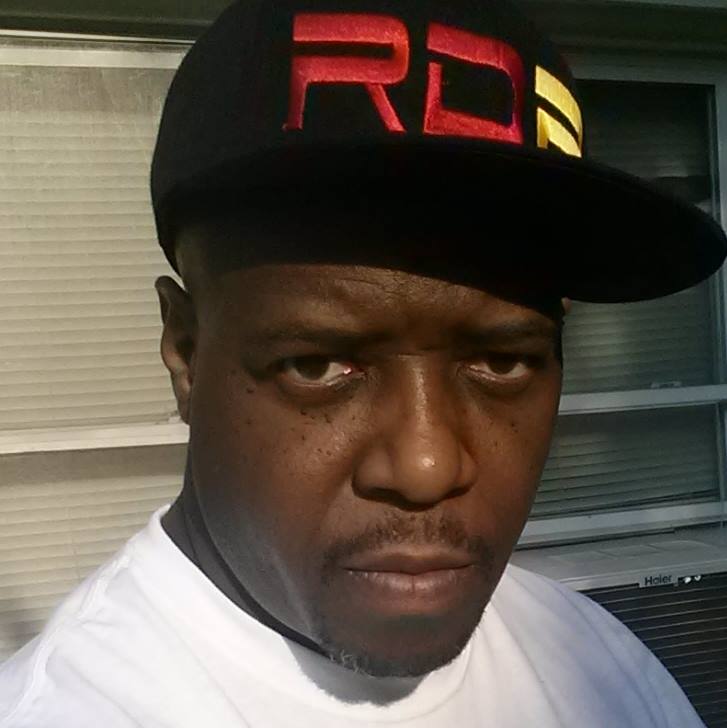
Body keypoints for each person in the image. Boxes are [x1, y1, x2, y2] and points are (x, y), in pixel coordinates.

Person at [1, 0, 725, 726]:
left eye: (502, 362)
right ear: (187, 352)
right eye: (317, 365)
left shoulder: (600, 667)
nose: (426, 467)